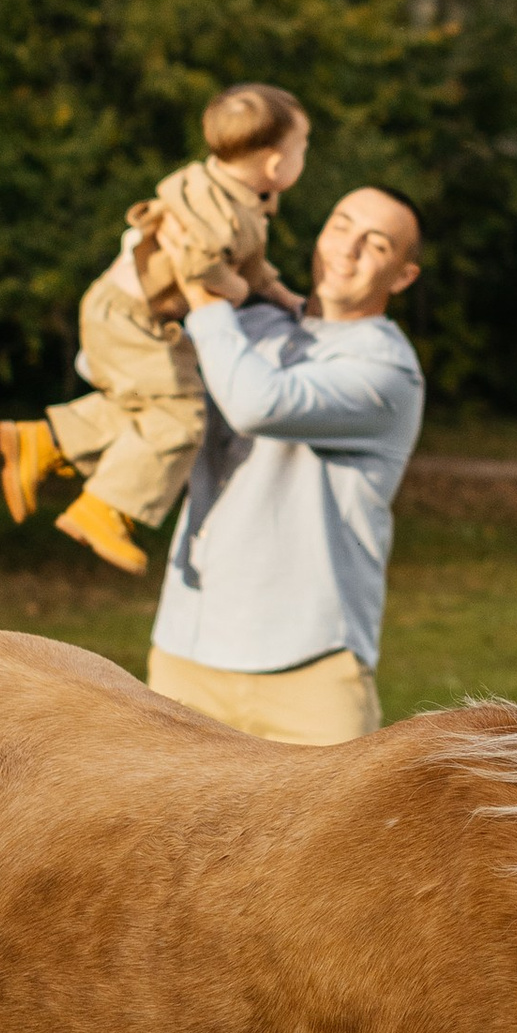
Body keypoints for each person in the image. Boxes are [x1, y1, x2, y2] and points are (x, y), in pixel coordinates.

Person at [144, 183, 426, 744]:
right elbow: (108, 362)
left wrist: (203, 294)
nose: (348, 249)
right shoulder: (251, 326)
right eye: (341, 226)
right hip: (186, 650)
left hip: (311, 668)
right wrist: (170, 234)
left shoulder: (389, 372)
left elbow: (257, 403)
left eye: (376, 244)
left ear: (402, 277)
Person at [0, 85, 311, 575]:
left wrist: (282, 295)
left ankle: (47, 440)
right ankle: (104, 509)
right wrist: (235, 292)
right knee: (182, 417)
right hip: (129, 318)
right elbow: (203, 267)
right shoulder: (219, 212)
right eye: (302, 148)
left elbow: (250, 264)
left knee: (149, 406)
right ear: (274, 163)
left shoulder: (228, 192)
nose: (304, 157)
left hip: (127, 312)